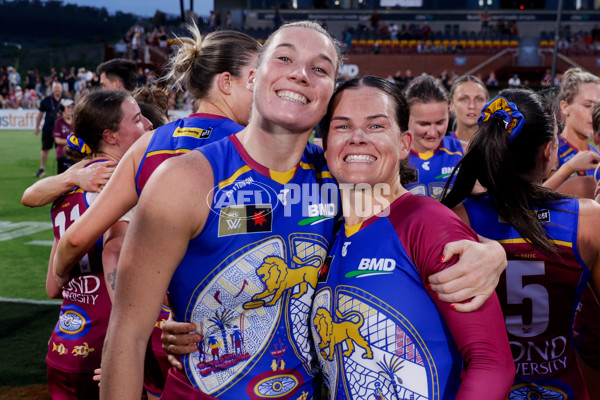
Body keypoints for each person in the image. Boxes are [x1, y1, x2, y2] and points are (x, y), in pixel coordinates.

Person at [100, 22, 507, 400]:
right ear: (253, 76)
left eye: (320, 68)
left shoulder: (337, 174)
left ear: (328, 93)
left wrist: (490, 251)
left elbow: (410, 218)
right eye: (285, 58)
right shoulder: (185, 181)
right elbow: (127, 335)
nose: (300, 74)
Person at [51, 27, 261, 400]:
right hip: (235, 342)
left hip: (159, 330)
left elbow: (78, 238)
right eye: (257, 79)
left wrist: (59, 275)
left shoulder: (153, 142)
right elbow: (265, 222)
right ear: (227, 83)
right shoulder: (252, 148)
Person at [311, 75, 514, 399]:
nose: (358, 138)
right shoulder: (324, 230)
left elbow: (492, 363)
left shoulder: (427, 223)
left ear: (405, 143)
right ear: (325, 142)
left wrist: (492, 249)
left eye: (376, 126)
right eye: (342, 126)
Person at [442, 89, 600, 399]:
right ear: (547, 152)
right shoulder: (589, 218)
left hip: (484, 387)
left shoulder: (456, 217)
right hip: (563, 385)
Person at [44, 90, 147, 400]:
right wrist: (125, 352)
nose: (148, 126)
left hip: (64, 346)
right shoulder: (120, 188)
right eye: (139, 119)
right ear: (110, 135)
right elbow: (114, 254)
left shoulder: (67, 190)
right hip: (105, 348)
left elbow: (52, 287)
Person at [403, 74, 464, 200]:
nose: (432, 133)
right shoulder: (390, 157)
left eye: (440, 123)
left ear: (448, 111)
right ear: (406, 116)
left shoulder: (465, 153)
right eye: (424, 124)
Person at [554, 67, 600, 198]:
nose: (594, 112)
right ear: (565, 107)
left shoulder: (596, 153)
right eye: (587, 105)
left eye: (598, 106)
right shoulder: (551, 152)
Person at [34, 81, 67, 177]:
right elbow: (40, 115)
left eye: (58, 87)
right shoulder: (46, 100)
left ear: (62, 89)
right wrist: (36, 127)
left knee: (63, 149)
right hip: (48, 128)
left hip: (61, 129)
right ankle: (42, 168)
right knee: (45, 149)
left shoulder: (67, 100)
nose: (57, 89)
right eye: (55, 88)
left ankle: (62, 169)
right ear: (52, 89)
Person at [449, 75, 489, 150]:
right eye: (464, 99)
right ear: (451, 106)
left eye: (479, 99)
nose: (472, 106)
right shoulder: (436, 147)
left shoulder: (501, 147)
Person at [53, 98, 74, 174]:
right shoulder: (58, 122)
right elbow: (57, 140)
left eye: (72, 107)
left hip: (76, 155)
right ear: (62, 109)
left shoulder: (77, 121)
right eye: (68, 107)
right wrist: (73, 142)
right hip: (63, 154)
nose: (71, 109)